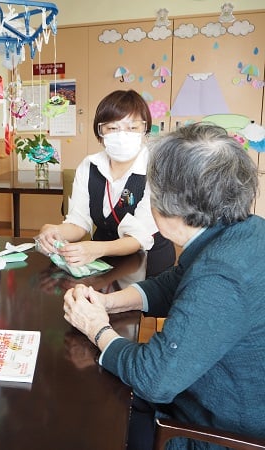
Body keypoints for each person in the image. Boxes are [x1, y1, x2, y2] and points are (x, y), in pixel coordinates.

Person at [62, 123, 265, 449]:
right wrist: (110, 304)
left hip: (213, 430)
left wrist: (97, 329)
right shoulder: (244, 229)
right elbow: (176, 281)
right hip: (202, 393)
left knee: (89, 419)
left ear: (168, 206)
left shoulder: (220, 279)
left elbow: (154, 379)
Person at [37, 90, 175, 278]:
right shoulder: (90, 165)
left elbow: (138, 238)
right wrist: (54, 231)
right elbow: (78, 222)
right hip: (102, 261)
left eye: (132, 128)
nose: (122, 135)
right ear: (100, 133)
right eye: (112, 128)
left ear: (145, 131)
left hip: (149, 261)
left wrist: (95, 249)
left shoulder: (156, 168)